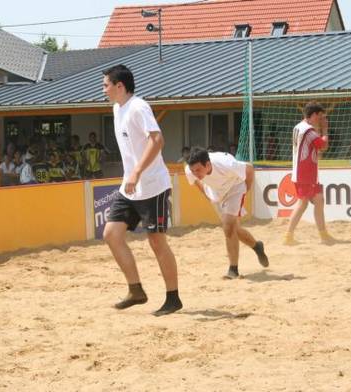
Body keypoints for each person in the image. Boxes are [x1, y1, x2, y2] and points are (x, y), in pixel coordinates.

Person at [102, 64, 182, 316]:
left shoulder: (138, 106)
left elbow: (157, 140)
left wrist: (137, 171)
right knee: (111, 234)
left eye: (106, 85)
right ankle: (136, 290)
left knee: (157, 242)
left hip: (153, 187)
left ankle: (173, 298)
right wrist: (131, 175)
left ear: (119, 86)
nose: (103, 89)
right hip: (130, 187)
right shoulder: (117, 108)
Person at [185, 147, 269, 278]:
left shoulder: (226, 163)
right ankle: (257, 246)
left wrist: (246, 189)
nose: (195, 173)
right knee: (232, 228)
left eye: (198, 170)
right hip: (216, 194)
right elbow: (195, 181)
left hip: (235, 188)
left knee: (228, 225)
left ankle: (233, 270)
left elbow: (250, 169)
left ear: (208, 165)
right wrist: (207, 194)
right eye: (193, 171)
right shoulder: (190, 170)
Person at [283, 101, 335, 245]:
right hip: (305, 173)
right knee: (303, 204)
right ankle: (288, 236)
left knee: (319, 200)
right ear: (313, 115)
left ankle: (323, 235)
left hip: (304, 171)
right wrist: (325, 129)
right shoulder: (309, 131)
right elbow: (323, 146)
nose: (321, 119)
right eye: (319, 116)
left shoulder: (299, 126)